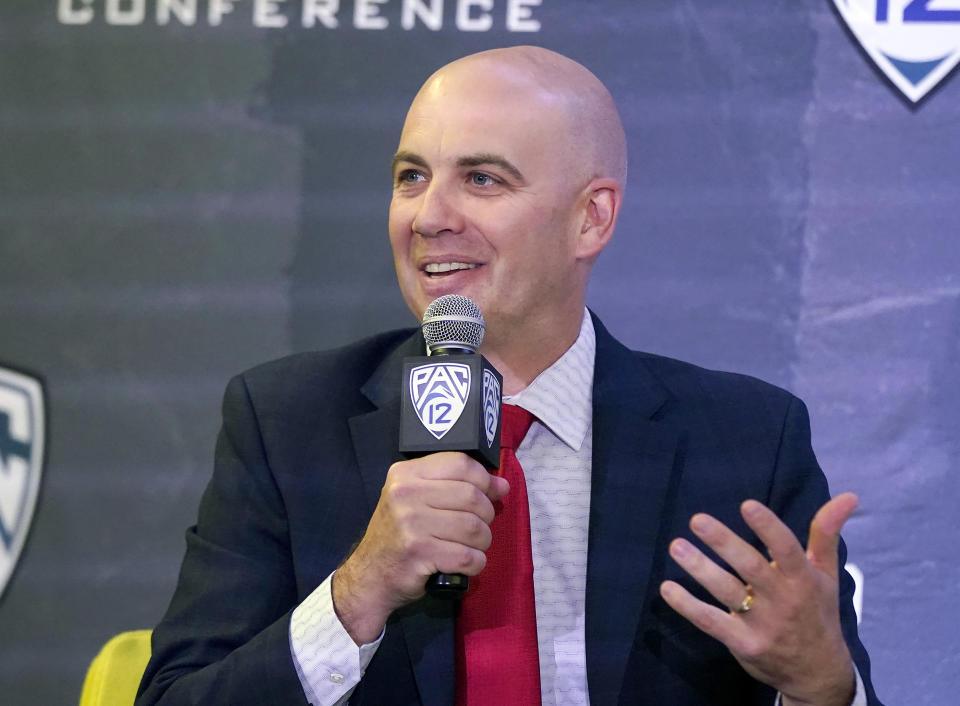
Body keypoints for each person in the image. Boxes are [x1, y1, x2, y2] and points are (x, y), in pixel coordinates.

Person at [137, 46, 881, 706]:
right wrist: (357, 592)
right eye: (410, 176)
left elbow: (823, 683)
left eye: (482, 179)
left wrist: (822, 688)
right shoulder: (285, 422)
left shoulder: (746, 439)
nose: (428, 216)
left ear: (591, 218)